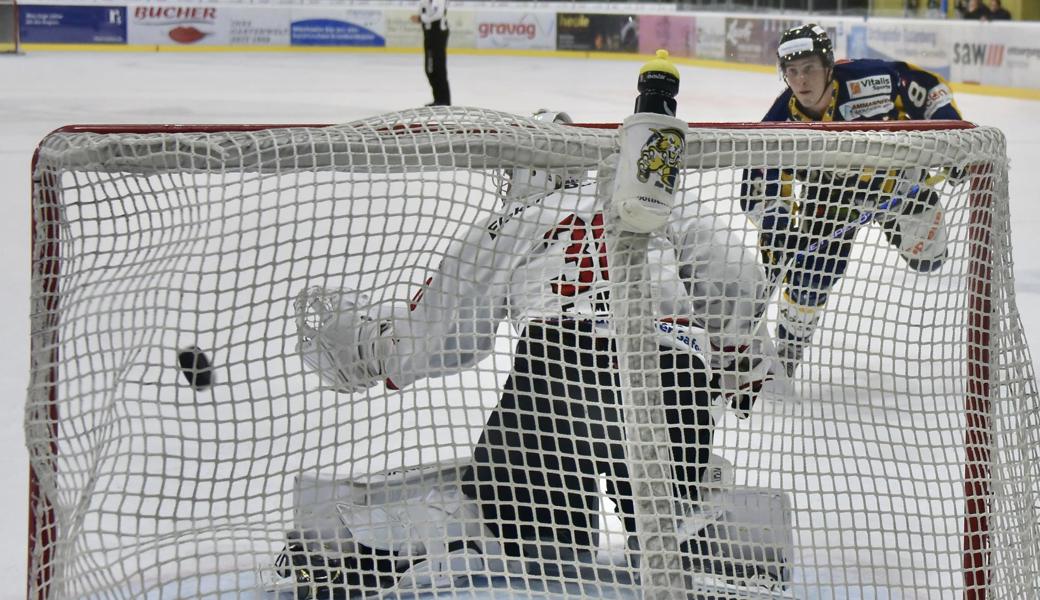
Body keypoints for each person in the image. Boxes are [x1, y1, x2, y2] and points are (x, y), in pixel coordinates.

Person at [293, 108, 781, 589]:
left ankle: (395, 555)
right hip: (673, 376)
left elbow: (443, 334)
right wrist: (735, 353)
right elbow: (735, 270)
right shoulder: (651, 195)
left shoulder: (514, 221)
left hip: (559, 373)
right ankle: (708, 557)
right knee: (667, 527)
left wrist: (374, 351)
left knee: (520, 532)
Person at [740, 23, 963, 375]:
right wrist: (779, 229)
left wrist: (953, 137)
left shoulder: (871, 79)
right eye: (792, 71)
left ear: (829, 66)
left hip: (898, 184)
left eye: (810, 68)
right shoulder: (780, 119)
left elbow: (928, 88)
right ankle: (786, 356)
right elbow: (759, 187)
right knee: (809, 277)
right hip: (831, 200)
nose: (802, 81)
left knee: (930, 259)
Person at [413, 0, 450, 106]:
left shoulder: (439, 1)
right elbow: (422, 12)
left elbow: (438, 15)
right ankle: (438, 98)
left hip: (439, 34)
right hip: (429, 35)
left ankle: (443, 100)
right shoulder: (423, 2)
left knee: (438, 67)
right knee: (430, 69)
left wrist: (421, 18)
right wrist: (422, 18)